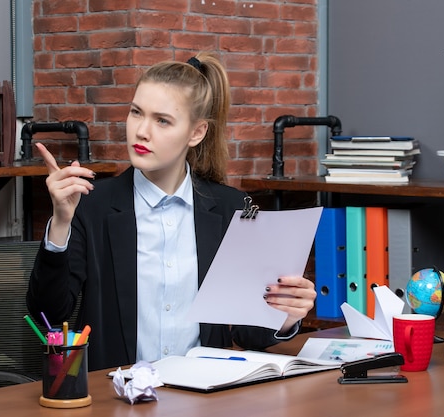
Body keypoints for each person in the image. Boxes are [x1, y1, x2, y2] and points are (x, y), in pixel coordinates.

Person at [26, 52, 317, 371]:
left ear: (196, 132)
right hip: (117, 397)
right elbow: (48, 317)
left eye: (162, 120)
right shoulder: (91, 206)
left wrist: (287, 315)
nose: (141, 131)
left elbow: (250, 334)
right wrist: (60, 223)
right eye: (136, 113)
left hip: (205, 395)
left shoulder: (232, 208)